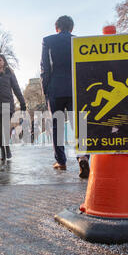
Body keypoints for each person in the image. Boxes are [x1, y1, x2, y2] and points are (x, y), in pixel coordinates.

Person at [40, 15, 90, 178]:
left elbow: (45, 67)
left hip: (55, 87)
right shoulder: (79, 41)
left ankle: (61, 162)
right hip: (77, 88)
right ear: (72, 28)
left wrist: (46, 89)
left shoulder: (48, 41)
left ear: (57, 28)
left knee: (57, 126)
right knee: (79, 125)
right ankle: (82, 157)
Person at [0, 54, 26, 161]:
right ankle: (3, 151)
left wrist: (22, 103)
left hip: (6, 104)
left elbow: (16, 89)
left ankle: (7, 148)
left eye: (0, 60)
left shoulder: (9, 74)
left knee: (5, 128)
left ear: (4, 61)